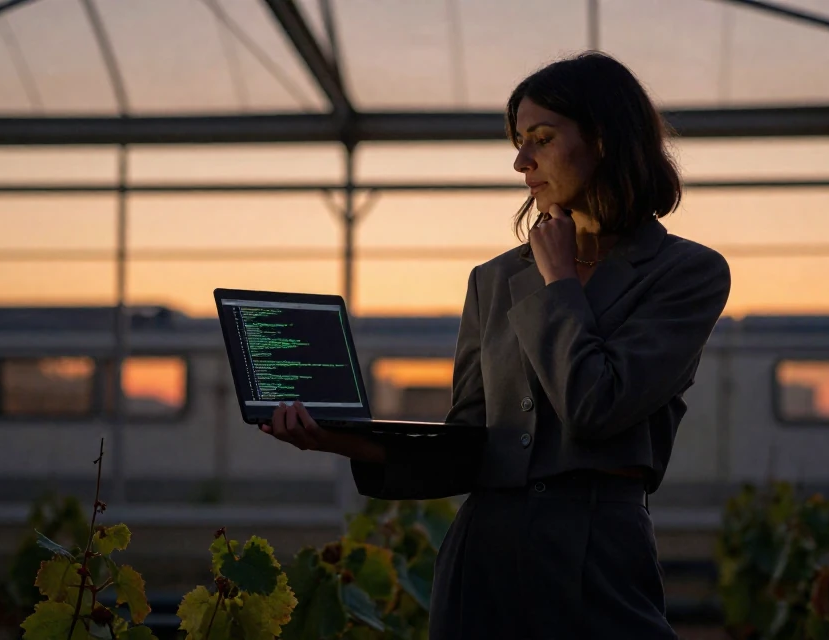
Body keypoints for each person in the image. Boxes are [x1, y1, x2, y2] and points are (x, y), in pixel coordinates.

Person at [259, 52, 731, 640]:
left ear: (604, 139)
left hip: (599, 554)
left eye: (541, 138)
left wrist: (558, 281)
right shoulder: (495, 278)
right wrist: (343, 441)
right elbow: (472, 443)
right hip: (484, 556)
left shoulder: (687, 272)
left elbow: (596, 405)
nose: (520, 161)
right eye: (517, 140)